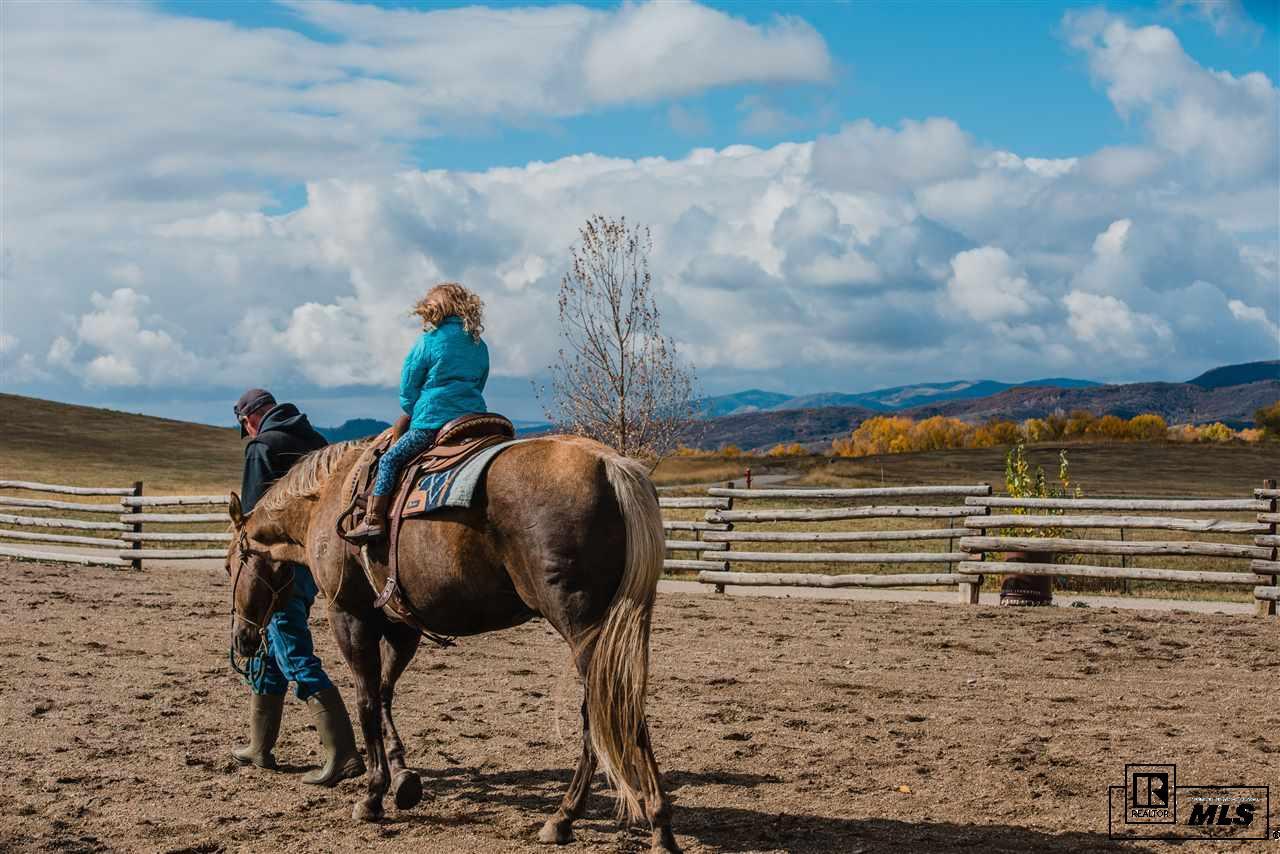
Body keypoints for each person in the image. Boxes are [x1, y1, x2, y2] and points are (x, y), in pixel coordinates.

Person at [230, 388, 365, 786]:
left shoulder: (261, 447)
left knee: (290, 648)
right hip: (313, 560)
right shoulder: (317, 441)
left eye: (244, 425)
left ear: (249, 418)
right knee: (275, 646)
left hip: (276, 569)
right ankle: (260, 745)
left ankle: (342, 752)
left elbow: (254, 522)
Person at [346, 282, 489, 542]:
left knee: (390, 460)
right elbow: (480, 380)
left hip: (433, 420)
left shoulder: (428, 341)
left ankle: (374, 519)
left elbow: (408, 386)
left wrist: (416, 410)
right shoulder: (479, 344)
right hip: (474, 419)